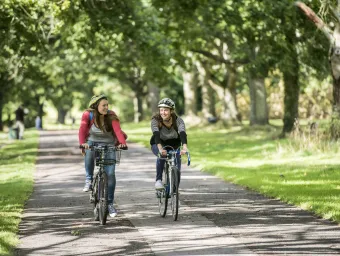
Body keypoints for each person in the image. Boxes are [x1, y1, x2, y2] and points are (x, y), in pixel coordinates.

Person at [78, 94, 127, 217]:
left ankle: (110, 204)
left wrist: (122, 143)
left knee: (110, 173)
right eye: (103, 105)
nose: (106, 107)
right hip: (92, 142)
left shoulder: (111, 116)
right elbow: (82, 129)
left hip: (109, 143)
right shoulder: (88, 115)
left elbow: (118, 131)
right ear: (96, 106)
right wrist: (82, 143)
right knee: (89, 152)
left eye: (107, 105)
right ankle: (89, 179)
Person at [150, 98, 188, 190]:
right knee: (162, 155)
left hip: (174, 144)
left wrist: (185, 148)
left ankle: (174, 190)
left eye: (166, 110)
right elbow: (156, 135)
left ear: (171, 111)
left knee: (177, 165)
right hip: (158, 143)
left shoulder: (178, 120)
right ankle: (158, 180)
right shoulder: (155, 121)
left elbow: (182, 133)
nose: (163, 112)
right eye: (161, 110)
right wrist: (160, 149)